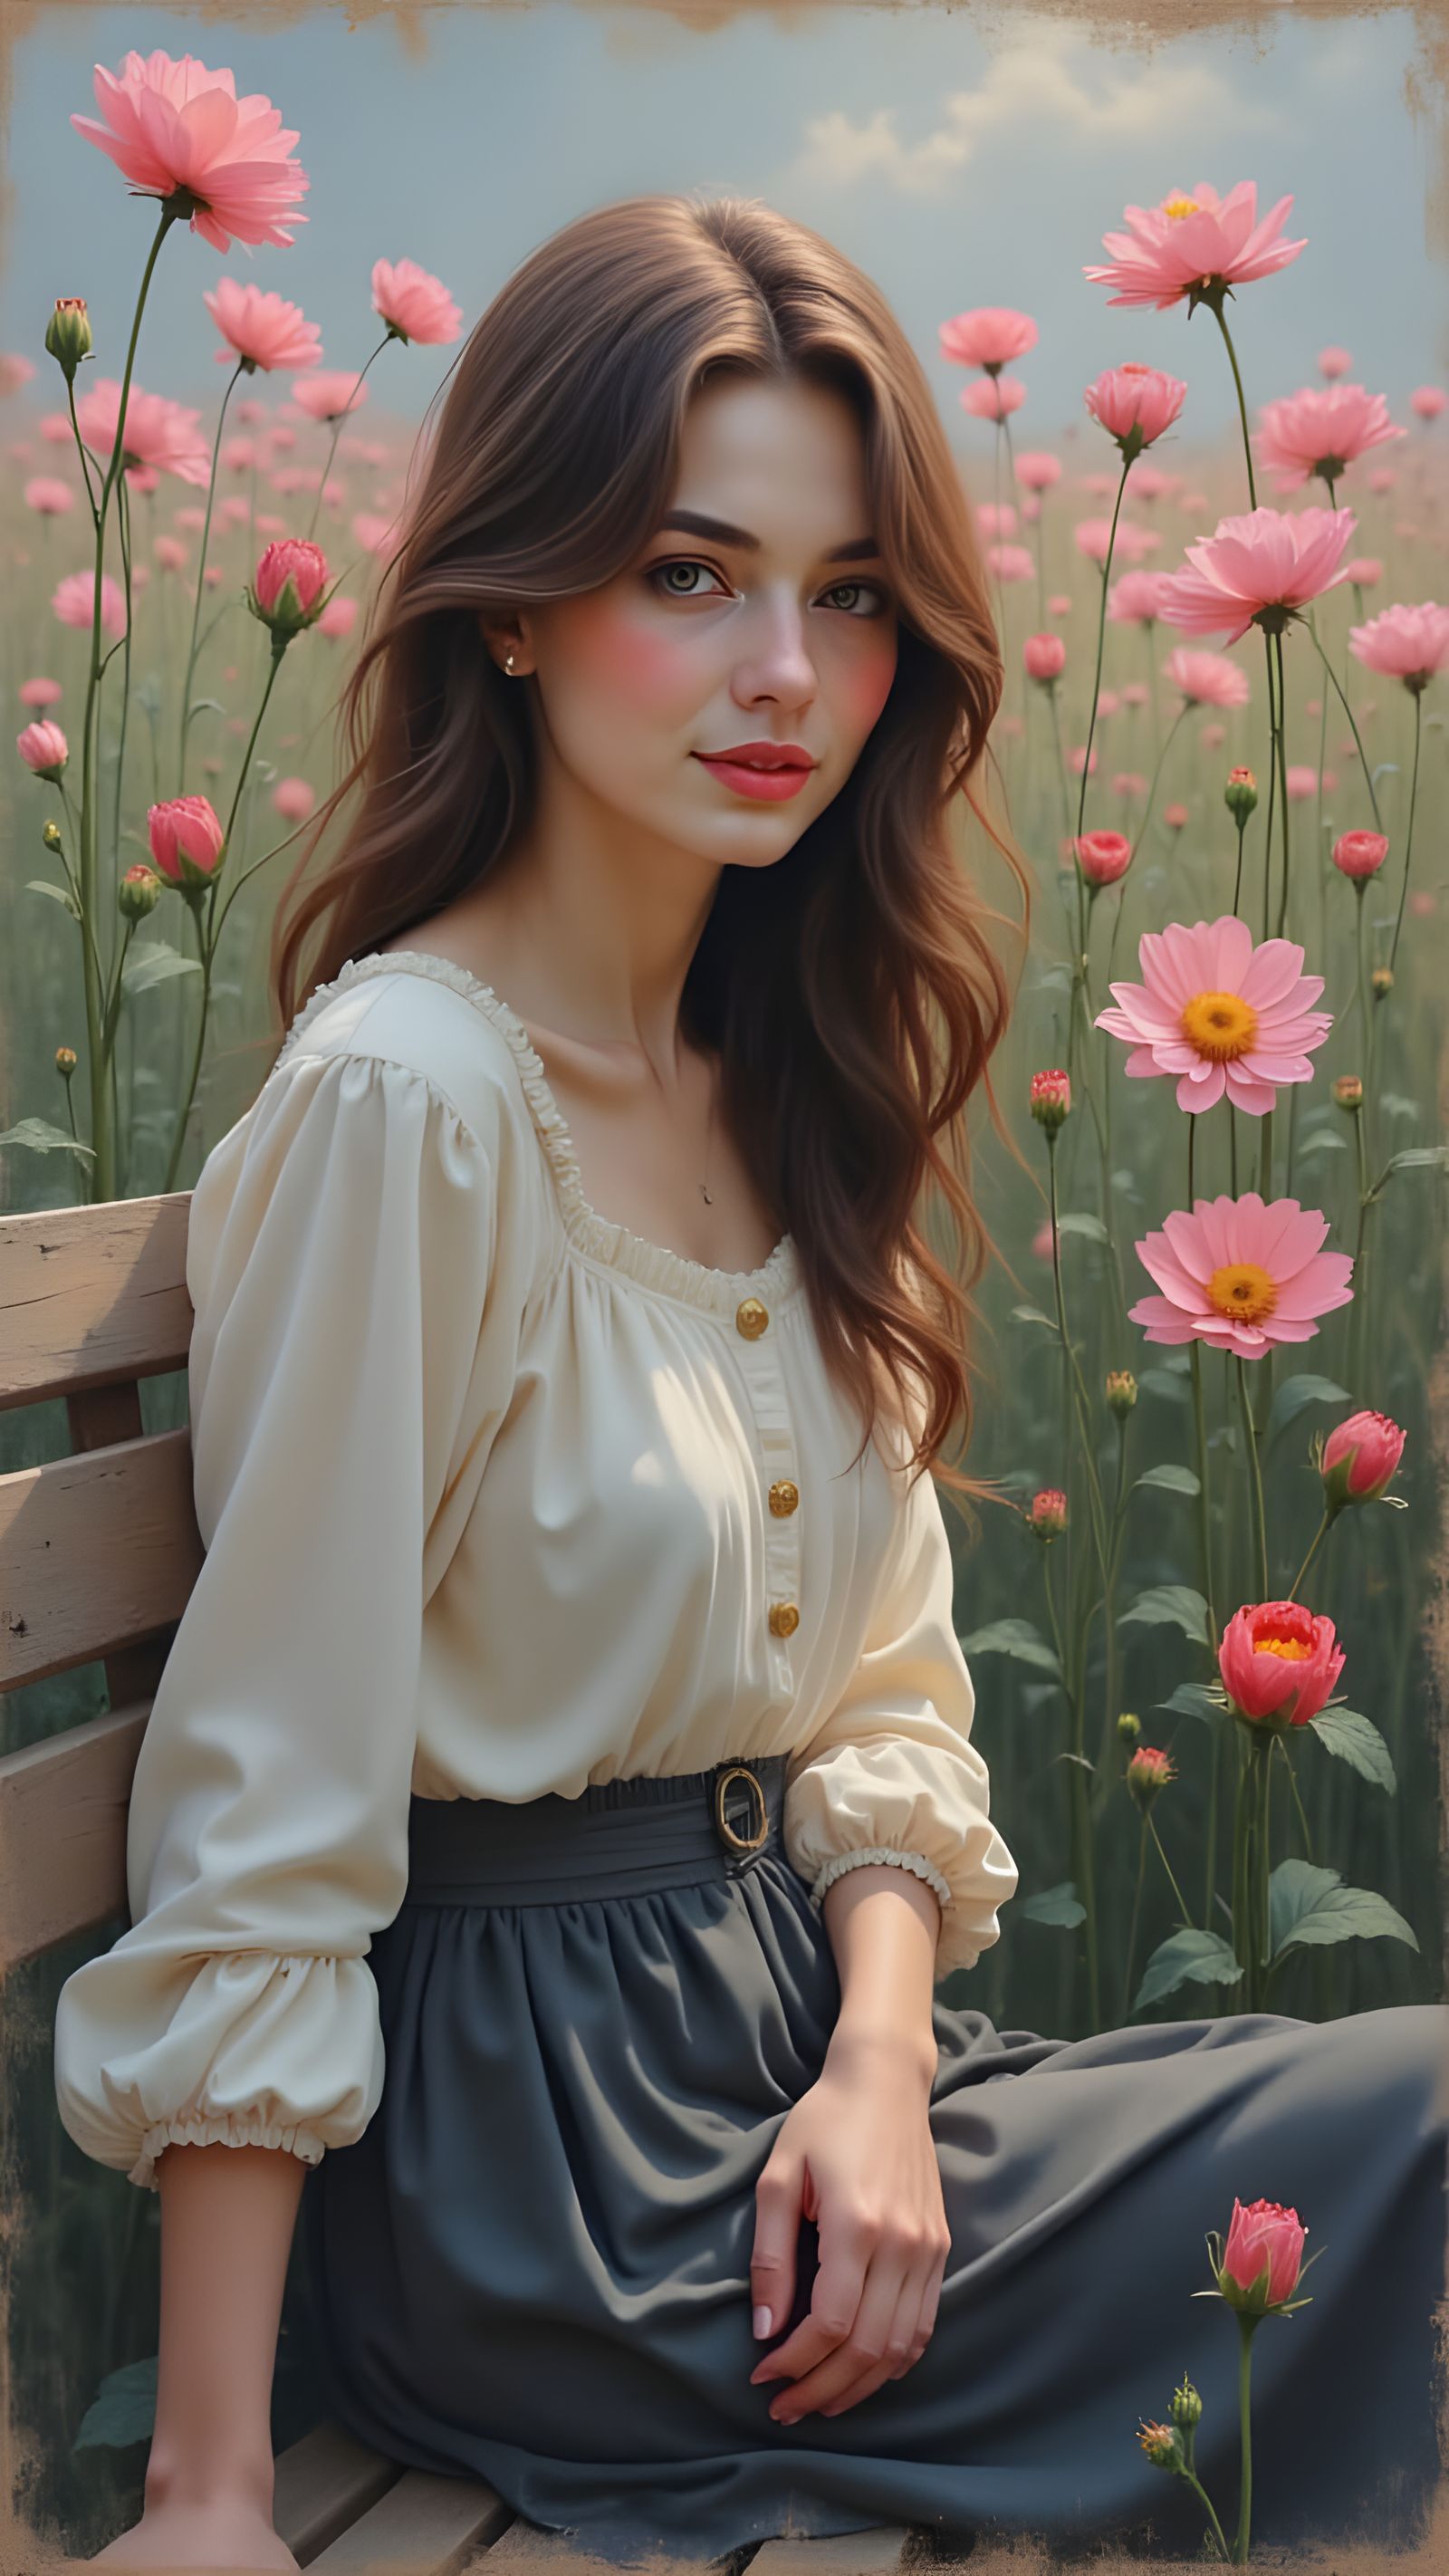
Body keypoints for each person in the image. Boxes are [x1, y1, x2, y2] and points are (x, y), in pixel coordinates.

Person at [53, 194, 1448, 2573]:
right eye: (690, 573)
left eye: (852, 593)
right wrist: (200, 2490)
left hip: (820, 2093)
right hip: (556, 2188)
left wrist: (885, 2062)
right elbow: (266, 1802)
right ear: (513, 596)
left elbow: (889, 1694)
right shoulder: (417, 1099)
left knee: (1386, 2132)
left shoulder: (787, 1076)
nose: (786, 667)